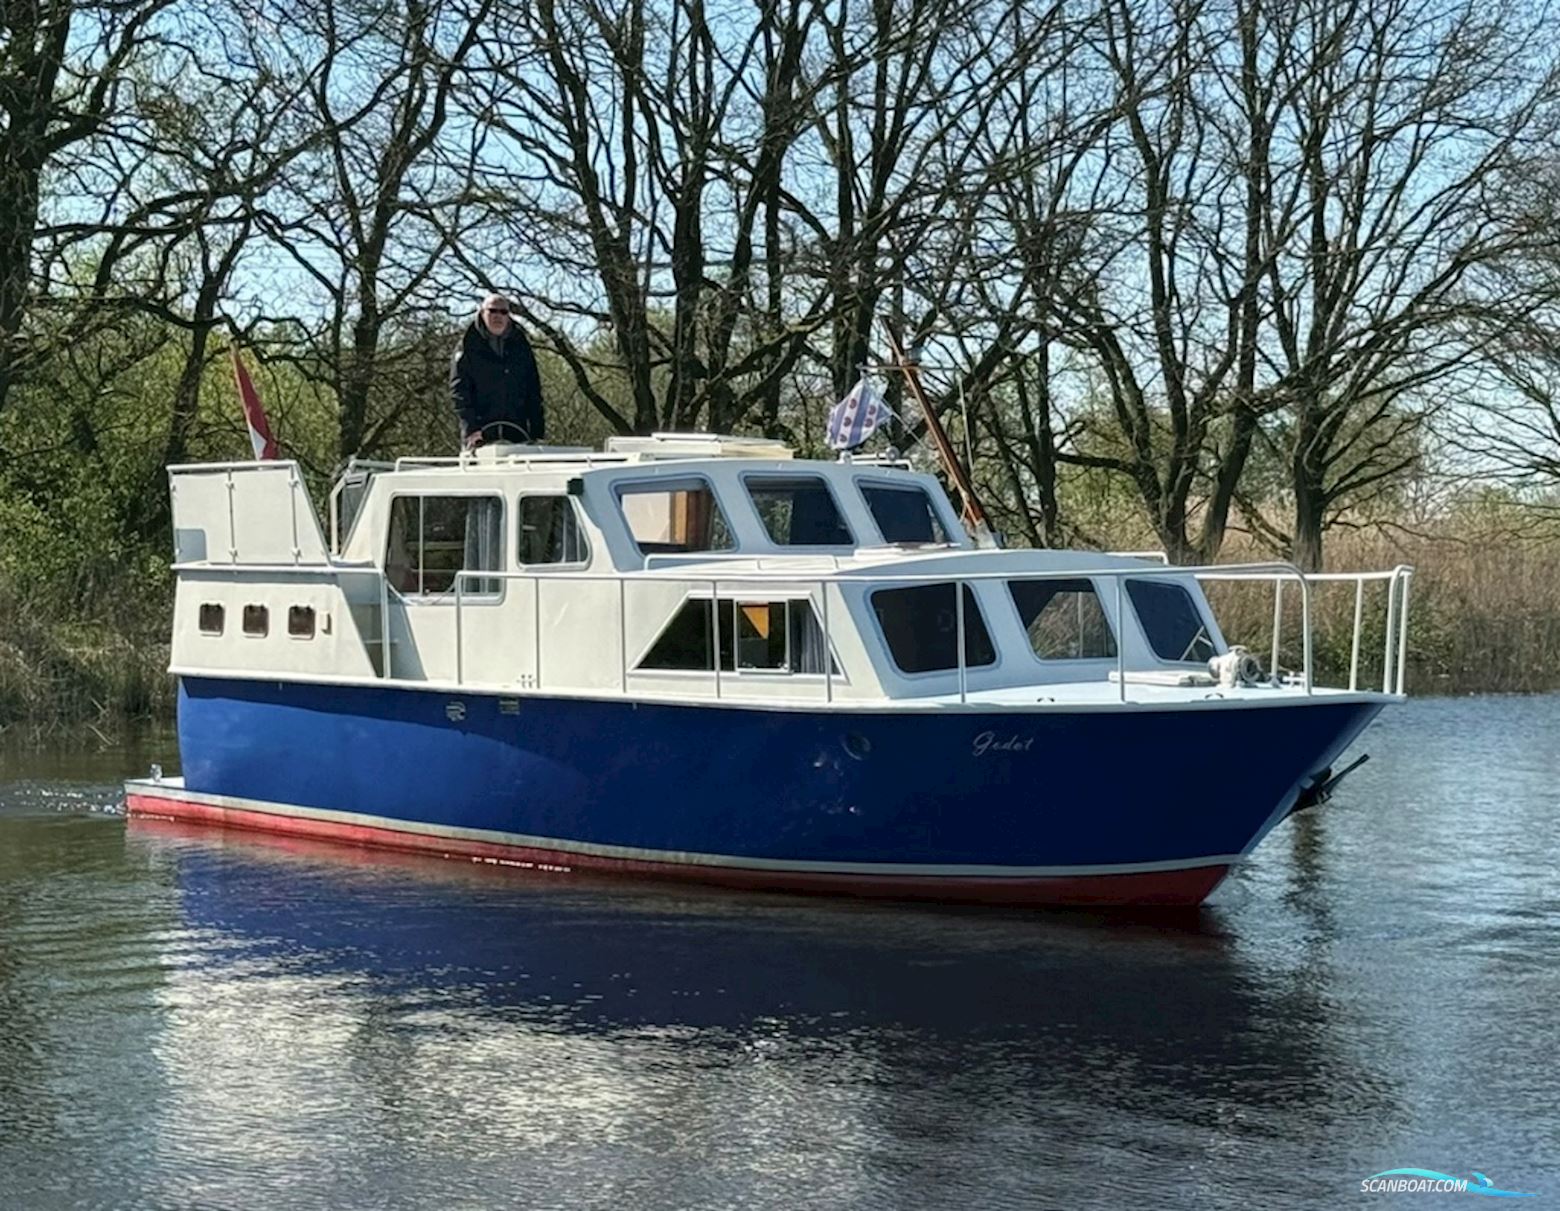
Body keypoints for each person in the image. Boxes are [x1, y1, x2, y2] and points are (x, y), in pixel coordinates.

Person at [450, 292, 545, 447]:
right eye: (492, 311)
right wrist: (470, 428)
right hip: (479, 433)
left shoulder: (521, 345)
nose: (498, 316)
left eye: (503, 312)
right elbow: (459, 392)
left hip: (518, 431)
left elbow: (533, 389)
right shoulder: (467, 345)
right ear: (482, 312)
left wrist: (537, 432)